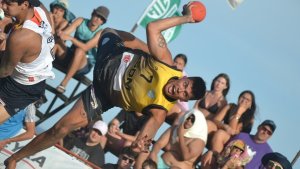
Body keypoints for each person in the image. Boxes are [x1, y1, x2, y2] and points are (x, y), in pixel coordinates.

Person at [5, 4, 206, 168]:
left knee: (60, 129)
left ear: (183, 100)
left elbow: (143, 140)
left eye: (184, 94)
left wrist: (138, 145)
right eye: (185, 85)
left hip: (102, 95)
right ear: (183, 77)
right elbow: (152, 27)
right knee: (109, 32)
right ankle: (17, 31)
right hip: (110, 56)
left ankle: (14, 159)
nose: (180, 89)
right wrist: (186, 19)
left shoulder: (160, 111)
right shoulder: (167, 63)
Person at [0, 0, 55, 124]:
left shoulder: (21, 36)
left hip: (20, 88)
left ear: (25, 5)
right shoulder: (40, 10)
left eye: (8, 3)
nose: (3, 6)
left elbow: (4, 71)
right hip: (30, 71)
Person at [54, 6, 109, 93]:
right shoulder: (80, 21)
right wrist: (60, 32)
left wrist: (71, 39)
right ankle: (40, 70)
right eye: (97, 15)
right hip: (71, 57)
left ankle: (63, 84)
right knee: (57, 43)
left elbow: (86, 47)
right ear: (92, 14)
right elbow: (65, 33)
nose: (98, 19)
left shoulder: (100, 32)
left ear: (103, 22)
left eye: (101, 18)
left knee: (80, 51)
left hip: (84, 64)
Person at [201, 120, 276, 169]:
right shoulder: (242, 136)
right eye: (264, 129)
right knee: (209, 157)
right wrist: (211, 152)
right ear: (259, 127)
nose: (265, 132)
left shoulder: (268, 153)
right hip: (225, 164)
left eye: (269, 132)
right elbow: (226, 150)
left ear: (270, 136)